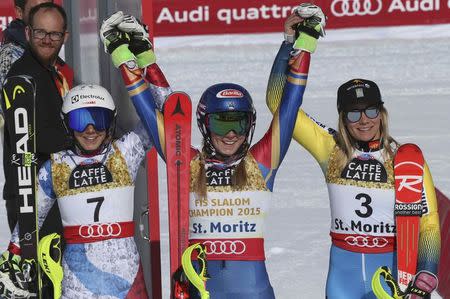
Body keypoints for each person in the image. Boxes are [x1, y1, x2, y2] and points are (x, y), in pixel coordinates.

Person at [101, 6, 325, 298]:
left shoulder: (261, 163)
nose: (231, 134)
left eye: (240, 123)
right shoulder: (189, 164)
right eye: (221, 124)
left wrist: (302, 43)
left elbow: (290, 104)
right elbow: (152, 115)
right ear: (206, 125)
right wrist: (127, 56)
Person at [266, 7, 441, 299]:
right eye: (353, 114)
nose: (364, 120)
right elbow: (277, 104)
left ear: (382, 113)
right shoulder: (331, 149)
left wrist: (427, 270)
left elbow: (429, 223)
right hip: (342, 280)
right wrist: (290, 43)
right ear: (341, 118)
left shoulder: (404, 160)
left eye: (371, 110)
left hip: (391, 277)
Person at [1, 2, 73, 236]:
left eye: (54, 34)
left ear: (65, 36)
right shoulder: (22, 76)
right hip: (31, 199)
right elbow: (37, 138)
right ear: (28, 33)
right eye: (41, 32)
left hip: (56, 192)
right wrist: (86, 140)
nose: (47, 40)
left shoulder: (51, 71)